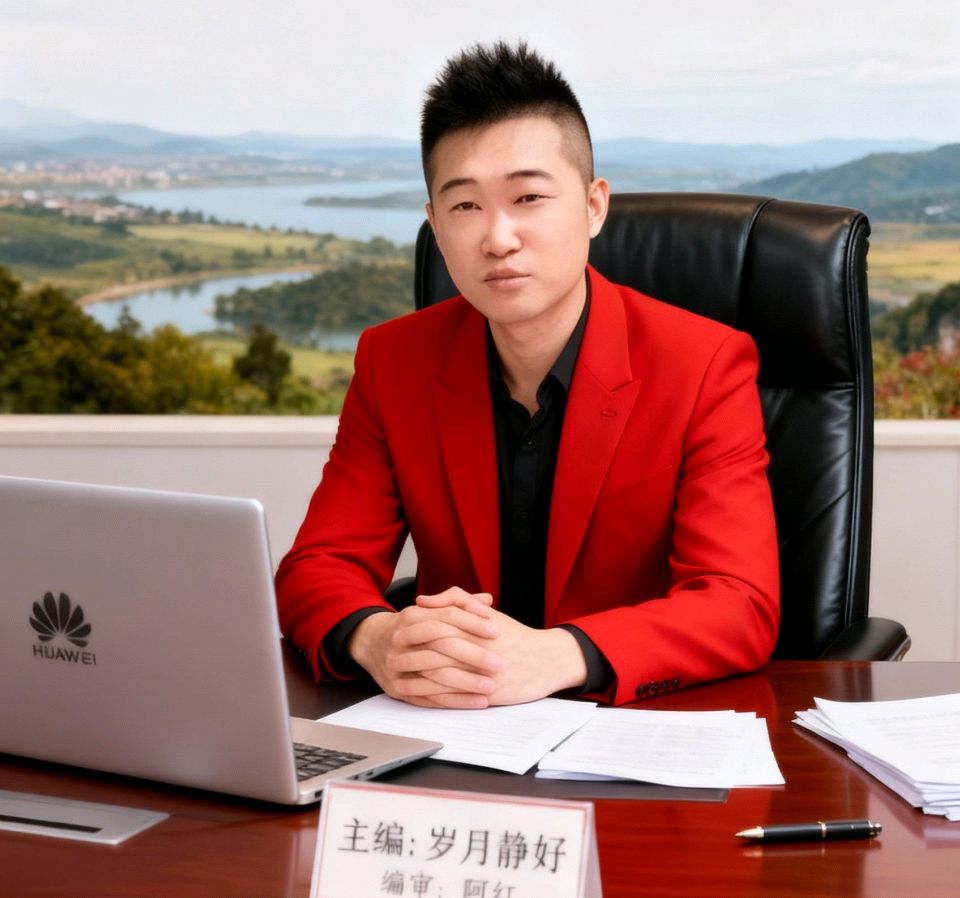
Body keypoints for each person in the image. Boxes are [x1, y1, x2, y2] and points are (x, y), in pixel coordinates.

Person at [275, 42, 779, 708]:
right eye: (465, 206)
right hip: (454, 723)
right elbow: (318, 565)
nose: (498, 238)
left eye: (529, 197)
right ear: (434, 225)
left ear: (594, 206)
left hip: (630, 724)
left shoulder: (704, 364)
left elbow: (739, 603)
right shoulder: (393, 360)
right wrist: (376, 638)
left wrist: (559, 654)